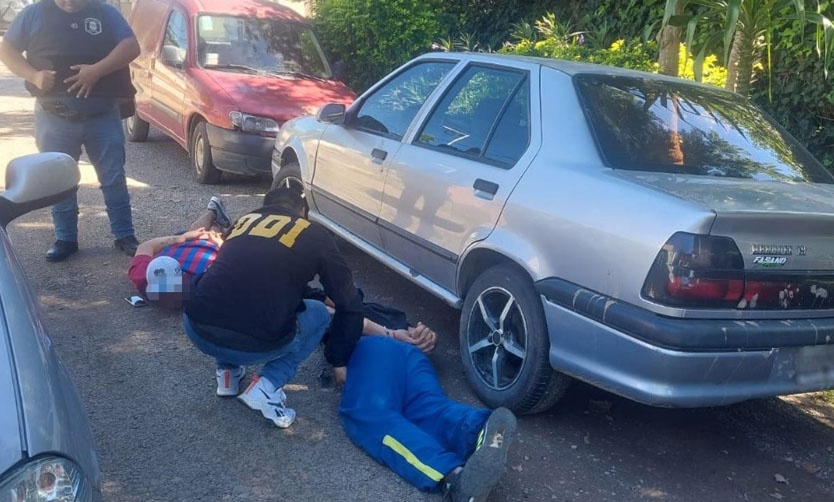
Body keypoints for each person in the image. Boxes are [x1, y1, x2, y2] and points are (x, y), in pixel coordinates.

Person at [182, 183, 365, 428]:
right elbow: (348, 301)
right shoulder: (314, 233)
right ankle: (267, 386)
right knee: (319, 314)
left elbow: (243, 273)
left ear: (266, 205)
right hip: (253, 345)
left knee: (227, 289)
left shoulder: (244, 220)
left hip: (196, 327)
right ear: (302, 211)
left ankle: (227, 374)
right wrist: (339, 359)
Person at [0, 0, 141, 262]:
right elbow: (7, 48)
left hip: (103, 115)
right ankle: (65, 238)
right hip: (54, 116)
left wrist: (96, 71)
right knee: (58, 180)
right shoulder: (34, 14)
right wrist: (33, 76)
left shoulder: (104, 12)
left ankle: (124, 234)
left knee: (113, 177)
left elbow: (131, 46)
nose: (68, 2)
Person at [339, 336, 517, 501]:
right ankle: (482, 428)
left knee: (371, 415)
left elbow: (348, 312)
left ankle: (454, 477)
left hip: (372, 347)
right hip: (412, 352)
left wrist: (337, 357)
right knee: (428, 409)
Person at [127, 196, 231, 308]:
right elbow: (235, 263)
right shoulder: (200, 284)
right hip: (212, 248)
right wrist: (221, 244)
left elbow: (145, 246)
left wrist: (182, 237)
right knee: (213, 232)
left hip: (184, 243)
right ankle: (216, 219)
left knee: (196, 231)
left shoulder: (142, 277)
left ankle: (213, 212)